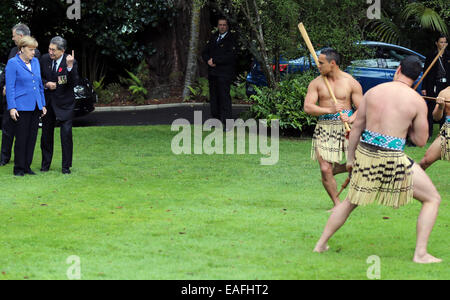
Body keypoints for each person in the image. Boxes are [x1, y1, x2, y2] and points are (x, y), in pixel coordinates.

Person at [313, 56, 442, 264]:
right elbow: (420, 141)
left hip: (366, 154)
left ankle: (320, 244)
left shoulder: (373, 92)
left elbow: (356, 128)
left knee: (349, 201)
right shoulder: (417, 101)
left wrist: (350, 158)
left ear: (398, 69)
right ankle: (420, 254)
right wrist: (407, 126)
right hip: (393, 159)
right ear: (416, 77)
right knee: (432, 199)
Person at [304, 48, 363, 211]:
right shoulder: (316, 83)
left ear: (333, 63)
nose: (318, 66)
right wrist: (329, 110)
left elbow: (363, 107)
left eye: (321, 63)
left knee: (357, 164)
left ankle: (337, 168)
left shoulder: (350, 82)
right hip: (325, 127)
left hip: (347, 128)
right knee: (324, 168)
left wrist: (351, 118)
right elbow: (308, 107)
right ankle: (337, 204)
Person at [0, 23, 41, 166]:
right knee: (7, 129)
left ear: (21, 36)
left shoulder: (35, 57)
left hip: (27, 102)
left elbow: (37, 82)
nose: (12, 39)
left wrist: (41, 104)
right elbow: (8, 72)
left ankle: (24, 164)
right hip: (13, 99)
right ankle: (5, 158)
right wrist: (4, 85)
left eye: (14, 36)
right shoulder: (13, 54)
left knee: (26, 135)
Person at [5, 36, 46, 176]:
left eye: (34, 49)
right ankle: (19, 168)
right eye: (30, 49)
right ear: (22, 49)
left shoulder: (35, 62)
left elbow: (39, 85)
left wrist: (43, 104)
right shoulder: (13, 63)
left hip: (35, 106)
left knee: (32, 138)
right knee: (21, 138)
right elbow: (10, 88)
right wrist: (12, 107)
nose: (33, 52)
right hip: (21, 106)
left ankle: (27, 166)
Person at [40, 36, 78, 174]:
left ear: (62, 51)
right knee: (46, 134)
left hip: (65, 104)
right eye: (49, 49)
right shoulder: (44, 59)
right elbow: (39, 77)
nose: (50, 52)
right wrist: (46, 83)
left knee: (66, 135)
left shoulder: (70, 61)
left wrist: (69, 67)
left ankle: (66, 167)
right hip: (48, 103)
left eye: (53, 50)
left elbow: (74, 82)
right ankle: (45, 165)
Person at [201, 17, 237, 130]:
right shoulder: (214, 37)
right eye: (220, 25)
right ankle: (215, 121)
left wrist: (215, 61)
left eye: (224, 25)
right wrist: (208, 60)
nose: (222, 27)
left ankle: (228, 123)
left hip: (224, 74)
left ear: (227, 26)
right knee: (214, 98)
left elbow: (230, 56)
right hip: (213, 73)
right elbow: (205, 51)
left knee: (224, 98)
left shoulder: (231, 39)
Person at [421, 35, 449, 139]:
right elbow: (426, 72)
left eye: (445, 42)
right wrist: (424, 87)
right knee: (431, 108)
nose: (443, 44)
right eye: (441, 42)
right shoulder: (431, 55)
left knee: (444, 108)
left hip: (445, 85)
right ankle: (428, 133)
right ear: (436, 43)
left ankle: (443, 133)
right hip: (433, 85)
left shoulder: (448, 55)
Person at [419, 86, 450, 169]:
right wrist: (440, 107)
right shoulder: (445, 92)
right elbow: (436, 117)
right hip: (448, 130)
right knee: (425, 162)